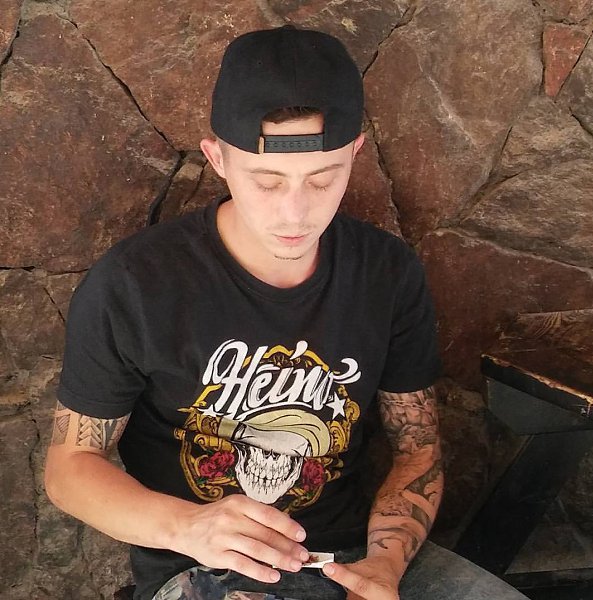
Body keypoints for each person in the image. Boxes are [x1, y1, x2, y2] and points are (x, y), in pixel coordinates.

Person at [45, 25, 528, 600]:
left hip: (356, 554)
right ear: (218, 159)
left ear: (354, 154)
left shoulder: (386, 272)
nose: (295, 214)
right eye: (267, 182)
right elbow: (69, 468)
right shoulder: (134, 284)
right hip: (203, 566)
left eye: (322, 180)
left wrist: (384, 566)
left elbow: (416, 448)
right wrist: (189, 528)